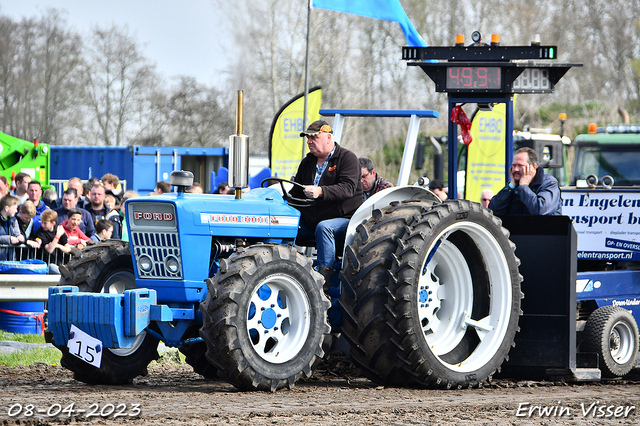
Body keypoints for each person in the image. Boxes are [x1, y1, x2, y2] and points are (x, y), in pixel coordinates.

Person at [289, 120, 363, 291]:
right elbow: (296, 192)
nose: (309, 141)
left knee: (325, 228)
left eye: (314, 137)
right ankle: (285, 269)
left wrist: (321, 191)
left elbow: (348, 188)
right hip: (312, 220)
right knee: (285, 224)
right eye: (308, 138)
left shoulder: (347, 158)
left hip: (345, 220)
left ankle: (324, 280)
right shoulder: (307, 163)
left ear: (328, 138)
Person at [489, 147, 562, 216]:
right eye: (514, 166)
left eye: (520, 166)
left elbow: (540, 210)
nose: (515, 170)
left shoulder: (549, 183)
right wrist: (510, 187)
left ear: (533, 167)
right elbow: (493, 210)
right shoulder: (513, 186)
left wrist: (524, 186)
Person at [0, 195, 25, 260]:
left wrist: (20, 238)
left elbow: (17, 234)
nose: (16, 211)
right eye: (14, 208)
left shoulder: (14, 220)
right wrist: (9, 239)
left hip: (11, 259)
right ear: (6, 208)